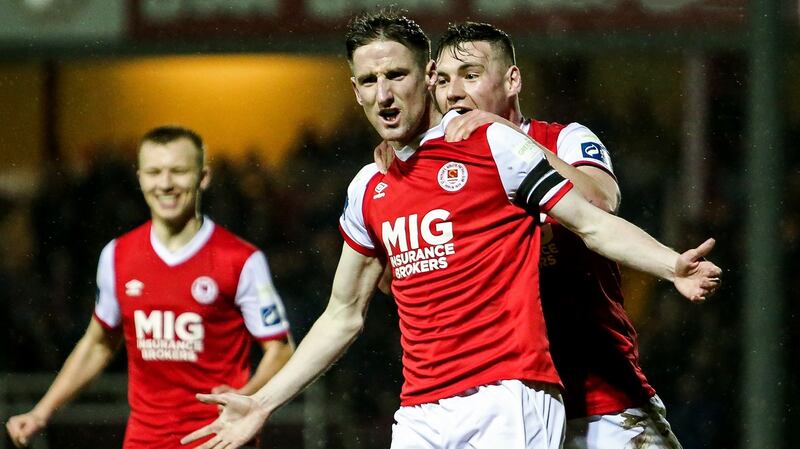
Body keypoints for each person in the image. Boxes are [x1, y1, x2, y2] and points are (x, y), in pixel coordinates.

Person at [180, 10, 720, 449]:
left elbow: (596, 215)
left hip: (545, 394)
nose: (385, 94)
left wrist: (670, 264)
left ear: (424, 81)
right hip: (423, 408)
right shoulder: (369, 187)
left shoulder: (502, 146)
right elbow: (344, 313)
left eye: (397, 76)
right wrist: (264, 402)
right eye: (370, 81)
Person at [376, 21, 689, 449]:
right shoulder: (434, 174)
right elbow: (400, 283)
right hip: (505, 403)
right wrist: (402, 185)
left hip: (602, 400)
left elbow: (599, 201)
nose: (453, 93)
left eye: (470, 75)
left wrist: (499, 135)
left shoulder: (564, 138)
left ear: (512, 80)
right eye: (444, 80)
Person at [5, 126, 294, 449]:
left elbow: (281, 349)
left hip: (220, 439)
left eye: (179, 171)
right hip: (144, 440)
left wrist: (247, 397)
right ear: (140, 178)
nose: (166, 183)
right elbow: (99, 343)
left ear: (203, 177)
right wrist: (42, 413)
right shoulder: (117, 255)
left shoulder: (240, 260)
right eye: (155, 172)